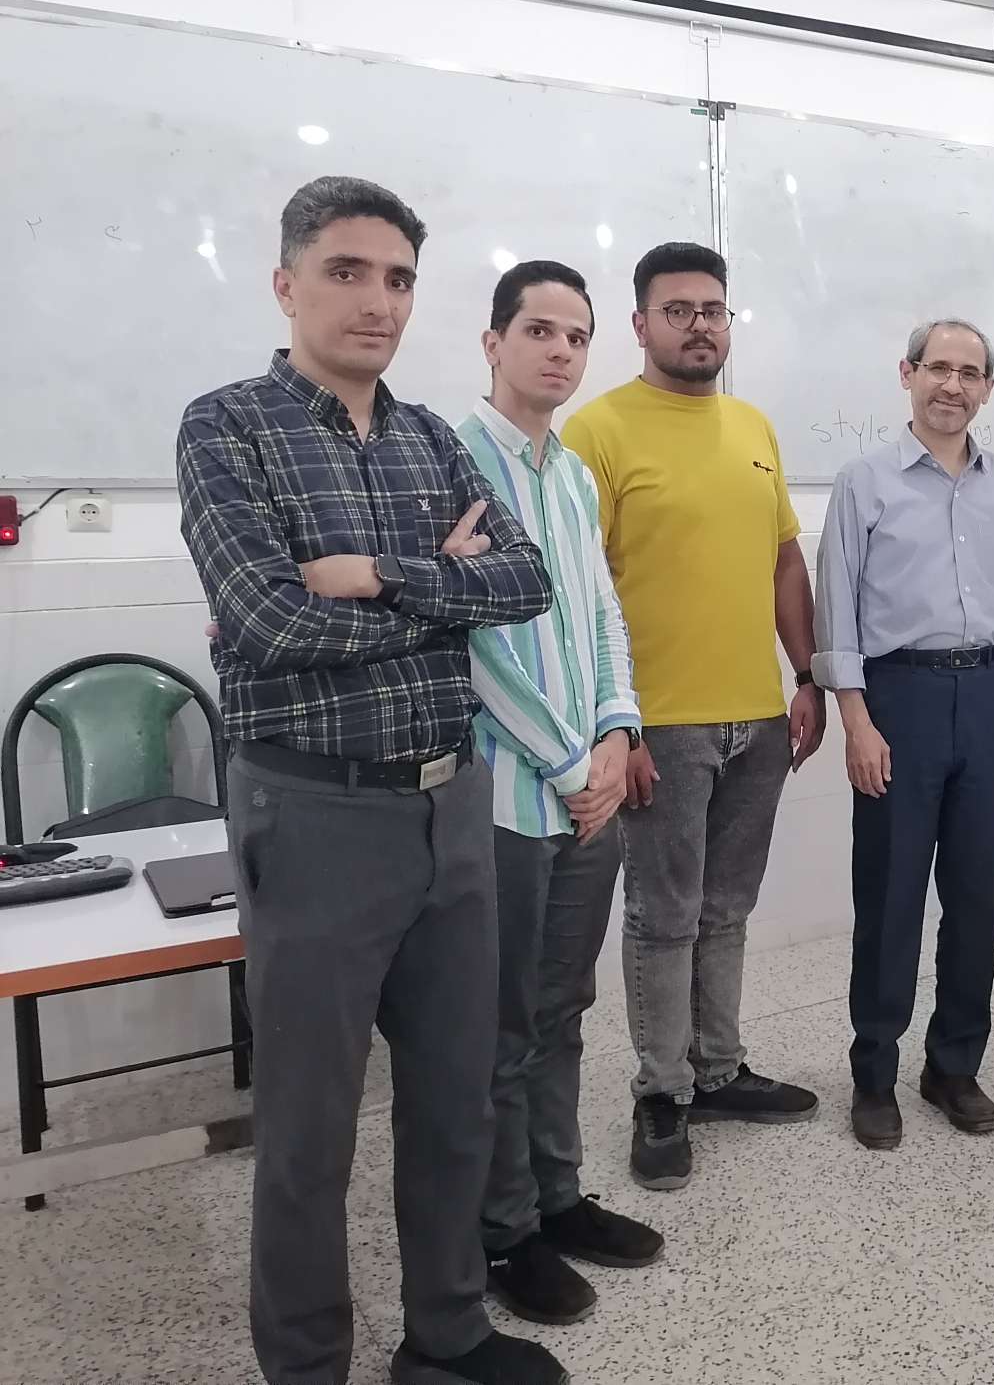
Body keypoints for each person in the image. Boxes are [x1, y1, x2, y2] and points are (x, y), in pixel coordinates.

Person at [177, 177, 565, 1385]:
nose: (377, 301)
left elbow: (526, 582)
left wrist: (374, 572)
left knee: (453, 1098)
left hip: (450, 805)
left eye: (397, 278)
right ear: (286, 283)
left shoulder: (430, 437)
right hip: (313, 810)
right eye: (347, 272)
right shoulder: (227, 427)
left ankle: (446, 1332)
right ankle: (307, 1366)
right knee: (310, 1129)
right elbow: (265, 622)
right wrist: (438, 584)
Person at [564, 242, 824, 1195]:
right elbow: (580, 594)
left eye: (713, 309)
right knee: (663, 916)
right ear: (641, 325)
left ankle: (718, 1070)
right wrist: (618, 728)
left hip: (758, 718)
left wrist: (808, 675)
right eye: (678, 310)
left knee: (727, 908)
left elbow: (785, 561)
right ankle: (662, 1093)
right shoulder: (596, 432)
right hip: (659, 728)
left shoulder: (752, 426)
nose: (699, 325)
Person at [454, 261, 663, 1328]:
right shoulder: (450, 461)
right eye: (539, 330)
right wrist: (574, 764)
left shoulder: (573, 474)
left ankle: (557, 1194)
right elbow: (471, 642)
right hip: (507, 800)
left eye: (577, 336)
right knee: (500, 1029)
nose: (560, 352)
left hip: (590, 789)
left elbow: (602, 612)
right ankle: (503, 1235)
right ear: (494, 342)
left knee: (564, 1009)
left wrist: (620, 730)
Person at [813, 318, 994, 1151]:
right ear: (908, 373)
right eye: (938, 368)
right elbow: (837, 609)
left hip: (989, 696)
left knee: (976, 898)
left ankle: (953, 1065)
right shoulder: (864, 482)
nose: (953, 385)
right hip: (899, 700)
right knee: (891, 896)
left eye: (970, 373)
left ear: (988, 388)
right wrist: (855, 720)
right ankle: (874, 1073)